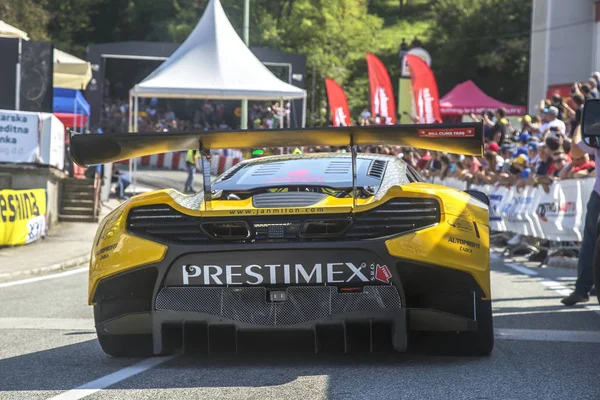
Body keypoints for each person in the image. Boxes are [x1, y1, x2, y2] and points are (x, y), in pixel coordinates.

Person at [561, 124, 599, 305]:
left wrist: (580, 125)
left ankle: (582, 289)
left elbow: (575, 150)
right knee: (590, 242)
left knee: (590, 241)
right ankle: (582, 288)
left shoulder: (596, 130)